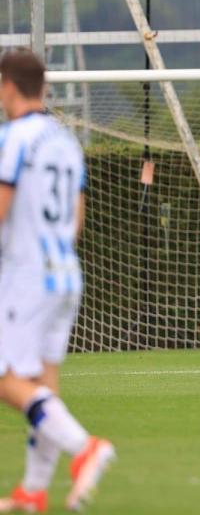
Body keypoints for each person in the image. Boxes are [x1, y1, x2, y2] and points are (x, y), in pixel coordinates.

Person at [0, 49, 115, 513]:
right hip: (66, 273)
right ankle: (33, 490)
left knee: (6, 379)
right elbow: (77, 220)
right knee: (42, 385)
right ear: (43, 86)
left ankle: (85, 447)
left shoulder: (13, 138)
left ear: (8, 85)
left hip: (26, 276)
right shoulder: (66, 140)